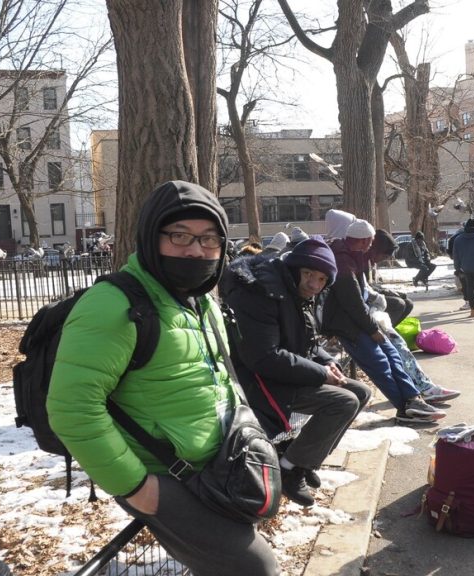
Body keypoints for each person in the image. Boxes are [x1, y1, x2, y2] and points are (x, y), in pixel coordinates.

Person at [48, 180, 278, 575]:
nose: (196, 250)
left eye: (209, 239)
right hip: (161, 477)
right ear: (151, 237)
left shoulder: (201, 300)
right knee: (256, 567)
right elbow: (72, 408)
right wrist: (138, 488)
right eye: (179, 236)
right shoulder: (112, 304)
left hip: (217, 465)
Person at [221, 238, 371, 507]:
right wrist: (321, 373)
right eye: (309, 274)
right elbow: (264, 358)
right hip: (258, 381)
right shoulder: (261, 293)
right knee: (343, 402)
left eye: (322, 279)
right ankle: (289, 470)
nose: (314, 284)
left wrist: (328, 362)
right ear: (294, 268)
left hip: (282, 372)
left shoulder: (293, 291)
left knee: (361, 391)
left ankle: (301, 461)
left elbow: (307, 341)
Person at [320, 218, 445, 423]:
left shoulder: (353, 255)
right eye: (370, 241)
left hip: (360, 320)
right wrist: (372, 329)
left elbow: (359, 297)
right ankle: (405, 409)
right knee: (380, 364)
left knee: (392, 354)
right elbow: (352, 301)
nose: (371, 245)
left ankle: (413, 399)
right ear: (364, 240)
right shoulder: (343, 259)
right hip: (347, 325)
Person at [366, 229, 414, 326]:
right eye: (384, 256)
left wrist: (388, 291)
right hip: (365, 298)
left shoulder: (371, 262)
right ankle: (381, 330)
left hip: (371, 294)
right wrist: (384, 292)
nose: (385, 259)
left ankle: (389, 328)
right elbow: (365, 287)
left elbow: (371, 284)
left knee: (408, 303)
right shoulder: (363, 261)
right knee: (398, 304)